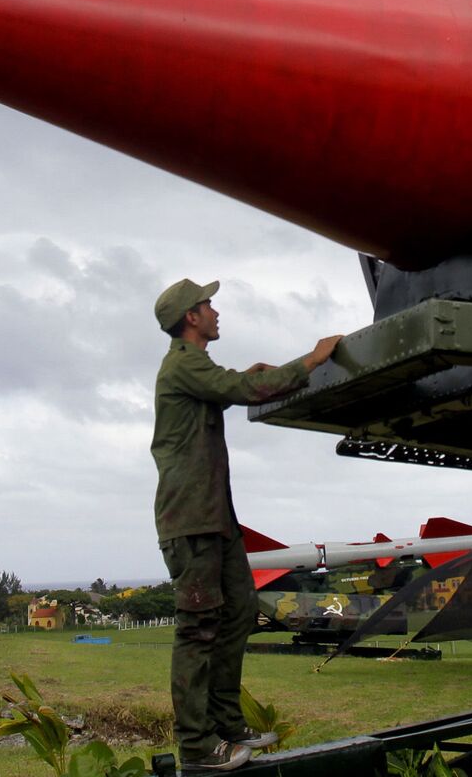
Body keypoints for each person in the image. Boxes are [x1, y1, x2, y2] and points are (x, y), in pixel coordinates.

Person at [151, 278, 343, 772]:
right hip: (191, 521)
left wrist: (248, 376)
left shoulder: (195, 367)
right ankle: (197, 747)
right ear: (191, 318)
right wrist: (310, 360)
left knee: (238, 612)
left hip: (215, 519)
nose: (216, 311)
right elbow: (243, 389)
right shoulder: (182, 364)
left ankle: (226, 726)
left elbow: (230, 383)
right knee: (197, 630)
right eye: (208, 304)